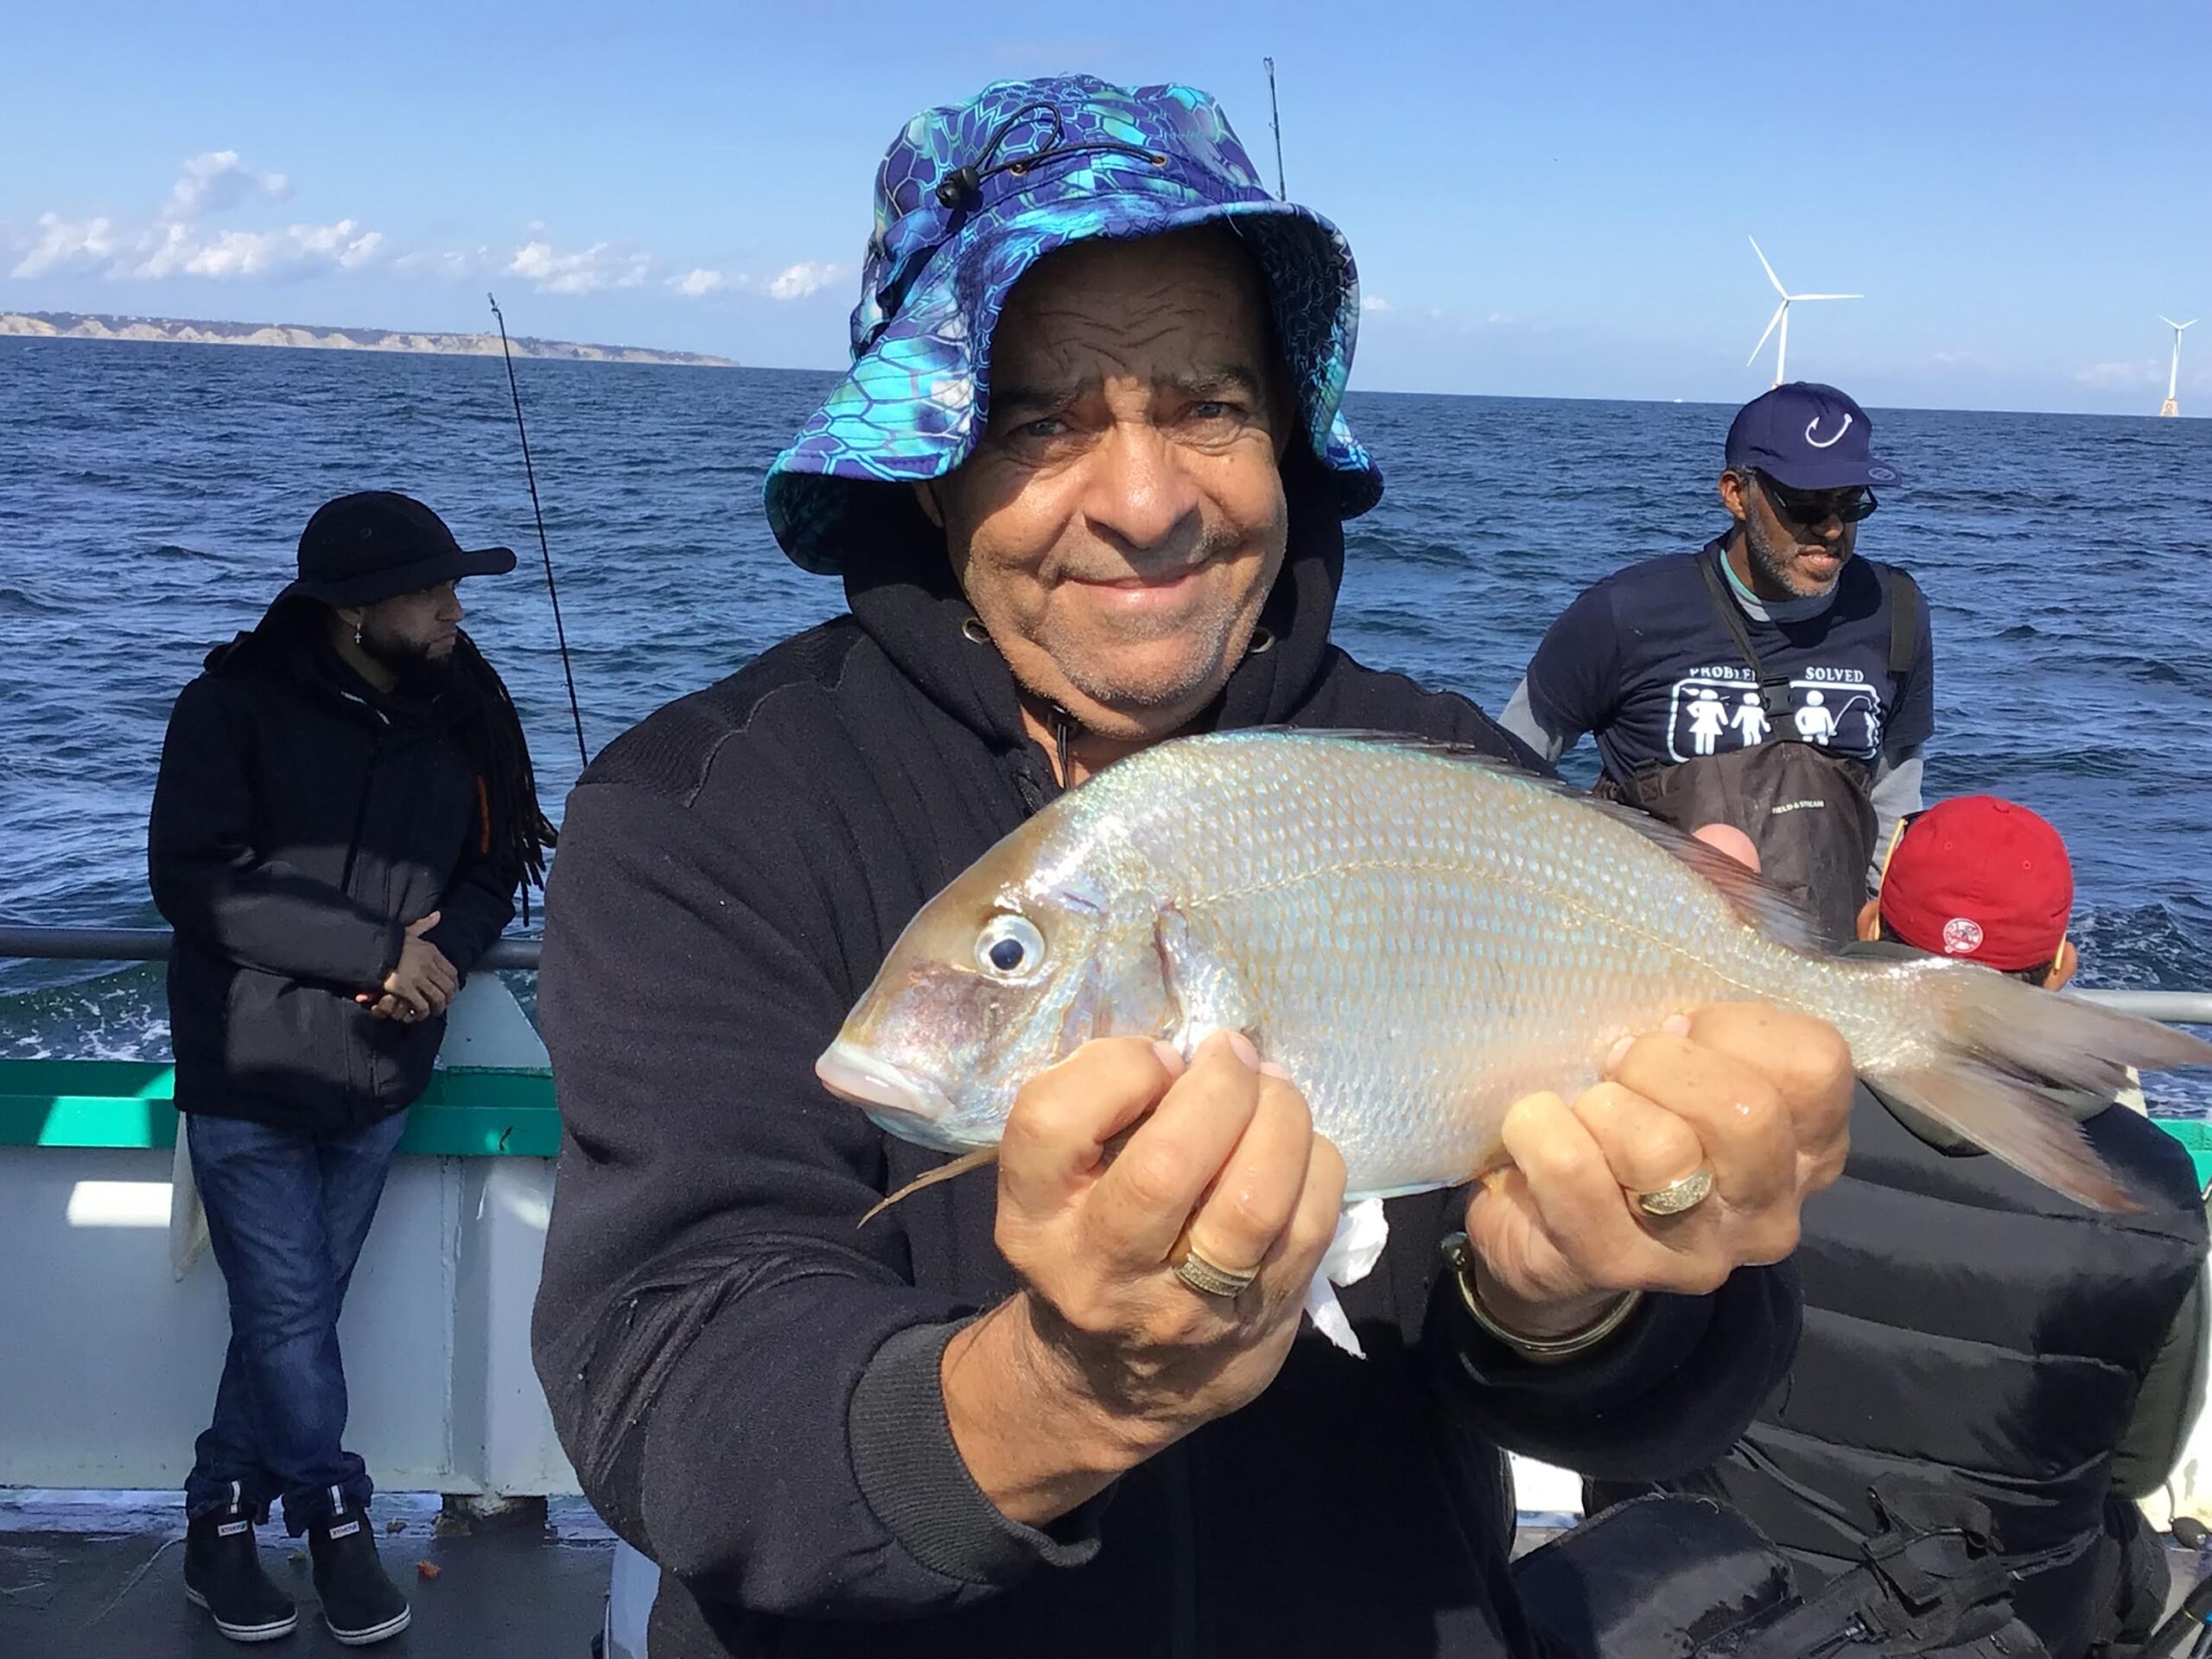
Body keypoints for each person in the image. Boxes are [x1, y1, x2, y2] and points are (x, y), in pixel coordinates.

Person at [531, 75, 1853, 1659]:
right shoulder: (702, 810)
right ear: (930, 457)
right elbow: (674, 1369)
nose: (1147, 499)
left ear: (1288, 436)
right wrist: (1065, 1394)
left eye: (1209, 405)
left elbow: (1690, 1381)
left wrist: (1577, 1299)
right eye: (1041, 419)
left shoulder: (1452, 779)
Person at [1592, 796, 2210, 1659]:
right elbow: (2136, 1468)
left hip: (1710, 1596)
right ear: (2062, 966)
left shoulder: (1730, 1105)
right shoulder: (2153, 1187)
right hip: (1996, 1626)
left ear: (1869, 921)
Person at [149, 491, 555, 1646]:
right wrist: (376, 952)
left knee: (295, 1312)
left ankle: (220, 1517)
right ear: (352, 611)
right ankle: (335, 1516)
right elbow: (196, 879)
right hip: (250, 1064)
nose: (453, 608)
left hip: (382, 1069)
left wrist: (436, 965)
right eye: (430, 590)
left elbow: (493, 866)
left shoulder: (465, 708)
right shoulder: (228, 708)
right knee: (287, 1319)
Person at [1498, 383, 1934, 947]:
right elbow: (1508, 773)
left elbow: (1894, 801)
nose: (1831, 529)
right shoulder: (1624, 612)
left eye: (1851, 504)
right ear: (1736, 493)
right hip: (1655, 965)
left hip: (1828, 970)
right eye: (1806, 503)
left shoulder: (1895, 610)